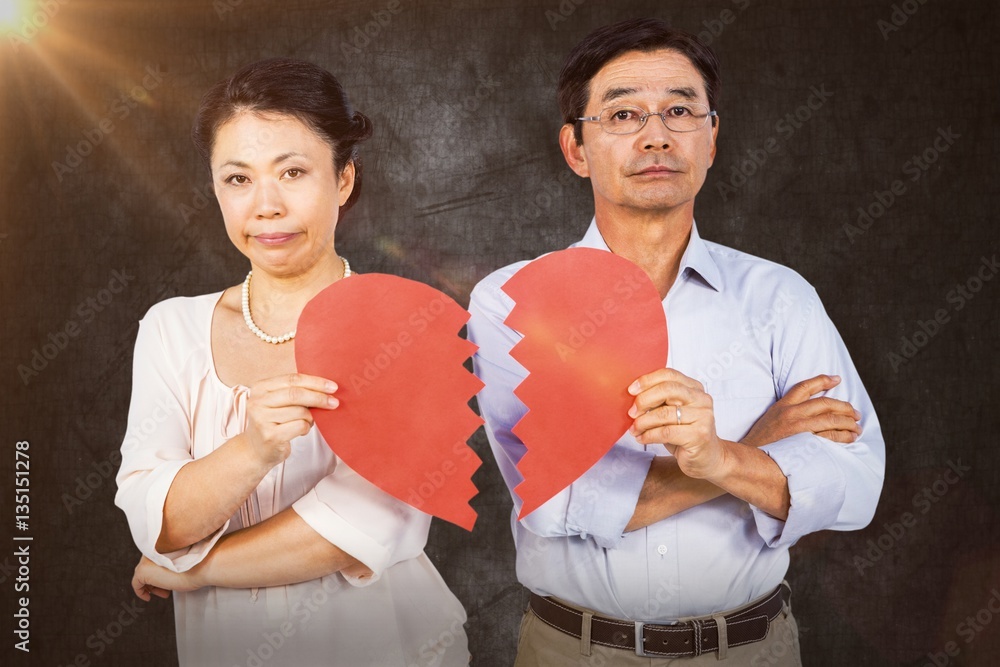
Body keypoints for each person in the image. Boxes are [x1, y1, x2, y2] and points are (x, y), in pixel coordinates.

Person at [468, 19, 885, 666]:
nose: (656, 135)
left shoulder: (780, 297)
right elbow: (552, 504)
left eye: (681, 110)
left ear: (712, 138)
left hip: (752, 649)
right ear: (576, 148)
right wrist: (751, 452)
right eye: (624, 113)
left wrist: (717, 456)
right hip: (575, 650)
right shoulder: (513, 299)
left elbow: (856, 485)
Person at [115, 58, 469, 667]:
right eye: (237, 179)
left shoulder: (408, 328)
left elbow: (365, 524)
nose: (266, 206)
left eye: (294, 172)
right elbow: (159, 523)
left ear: (344, 181)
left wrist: (196, 572)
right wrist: (252, 450)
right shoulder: (171, 328)